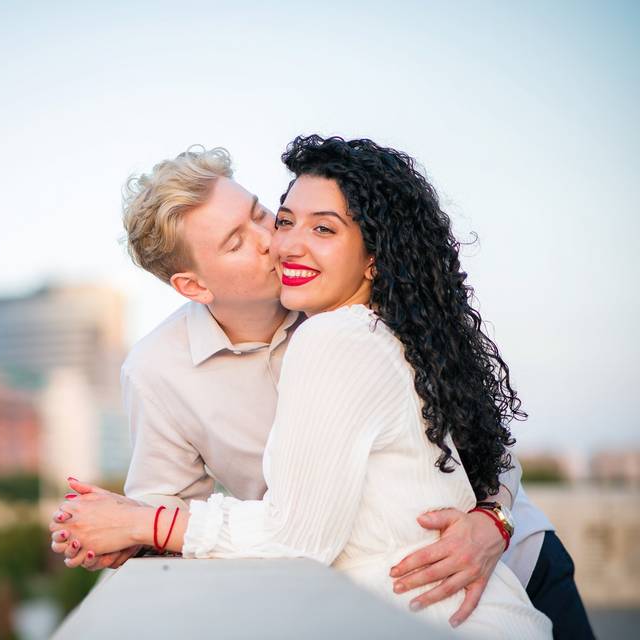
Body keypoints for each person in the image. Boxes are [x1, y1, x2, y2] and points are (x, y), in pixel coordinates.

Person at [51, 140, 592, 636]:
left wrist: (490, 521)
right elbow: (168, 507)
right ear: (193, 285)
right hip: (398, 595)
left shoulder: (350, 307)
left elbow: (480, 432)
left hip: (516, 558)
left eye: (263, 213)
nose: (273, 241)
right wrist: (124, 533)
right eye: (238, 241)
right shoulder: (157, 369)